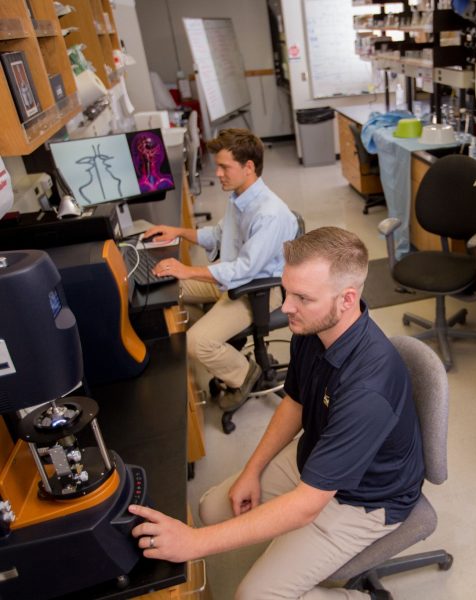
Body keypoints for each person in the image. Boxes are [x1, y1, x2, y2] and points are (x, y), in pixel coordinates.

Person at [129, 227, 425, 600]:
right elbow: (296, 402)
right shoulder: (313, 327)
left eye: (302, 297)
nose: (285, 308)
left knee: (253, 597)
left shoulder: (369, 388)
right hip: (319, 460)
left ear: (347, 299)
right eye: (287, 291)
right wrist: (252, 471)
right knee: (210, 508)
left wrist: (194, 544)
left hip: (365, 499)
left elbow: (305, 506)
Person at [144, 128, 297, 411]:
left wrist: (188, 271)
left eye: (224, 166)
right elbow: (217, 235)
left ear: (248, 167)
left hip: (258, 290)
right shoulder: (241, 197)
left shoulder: (270, 214)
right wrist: (176, 231)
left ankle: (245, 374)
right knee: (167, 286)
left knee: (196, 343)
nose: (218, 173)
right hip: (231, 279)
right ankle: (222, 340)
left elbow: (245, 269)